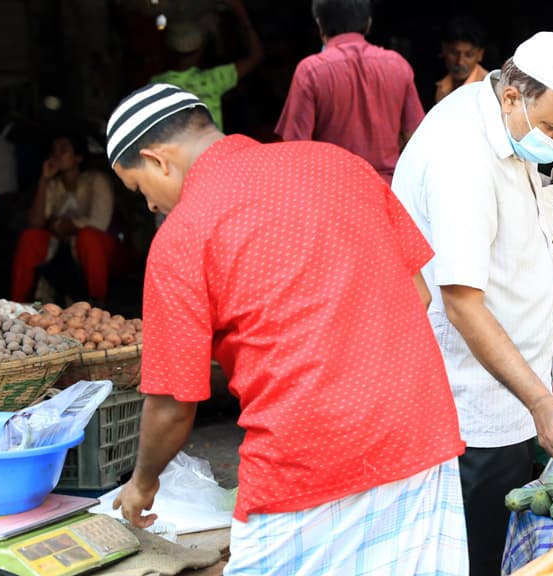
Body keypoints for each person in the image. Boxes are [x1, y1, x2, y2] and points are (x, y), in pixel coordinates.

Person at [106, 84, 467, 575]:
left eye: (139, 188)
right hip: (418, 432)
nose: (149, 205)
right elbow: (419, 295)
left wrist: (143, 483)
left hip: (305, 459)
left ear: (158, 160)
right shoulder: (339, 163)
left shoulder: (182, 235)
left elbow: (171, 406)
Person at [392, 32, 553, 575]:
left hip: (511, 388)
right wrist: (540, 402)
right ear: (512, 96)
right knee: (477, 554)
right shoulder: (461, 158)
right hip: (471, 401)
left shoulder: (509, 119)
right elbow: (461, 304)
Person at [275, 0, 424, 185]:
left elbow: (295, 151)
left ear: (319, 24)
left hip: (332, 194)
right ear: (368, 23)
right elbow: (415, 140)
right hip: (387, 194)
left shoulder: (310, 71)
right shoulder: (398, 65)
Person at [11, 132, 118, 304]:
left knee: (88, 238)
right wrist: (43, 181)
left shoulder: (97, 180)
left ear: (78, 157)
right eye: (54, 151)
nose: (56, 155)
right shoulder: (53, 185)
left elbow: (99, 222)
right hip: (60, 245)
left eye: (63, 150)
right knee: (30, 237)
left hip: (95, 248)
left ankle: (98, 301)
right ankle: (17, 303)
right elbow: (36, 223)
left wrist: (68, 225)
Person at [149, 0, 264, 132]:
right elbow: (257, 56)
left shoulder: (157, 85)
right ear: (200, 49)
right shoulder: (213, 80)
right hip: (213, 151)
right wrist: (243, 15)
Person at [434, 15, 488, 104]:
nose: (460, 62)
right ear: (444, 49)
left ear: (480, 54)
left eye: (469, 55)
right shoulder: (441, 87)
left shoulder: (489, 90)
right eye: (454, 53)